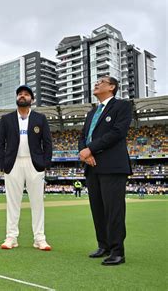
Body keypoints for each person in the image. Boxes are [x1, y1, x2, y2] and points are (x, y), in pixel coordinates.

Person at [78, 76, 132, 266]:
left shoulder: (122, 106)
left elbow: (118, 132)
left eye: (101, 81)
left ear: (112, 87)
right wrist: (84, 153)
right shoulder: (92, 112)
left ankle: (118, 251)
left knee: (113, 210)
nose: (96, 83)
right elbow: (83, 136)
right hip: (92, 166)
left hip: (112, 166)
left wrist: (90, 148)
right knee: (98, 209)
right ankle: (104, 245)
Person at [0, 85, 53, 251]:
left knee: (37, 202)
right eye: (20, 94)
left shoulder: (40, 118)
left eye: (26, 94)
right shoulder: (6, 119)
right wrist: (3, 164)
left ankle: (39, 238)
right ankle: (11, 237)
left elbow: (47, 143)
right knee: (13, 202)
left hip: (34, 164)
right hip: (13, 164)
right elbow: (0, 143)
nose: (22, 96)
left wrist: (45, 164)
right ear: (16, 98)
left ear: (31, 100)